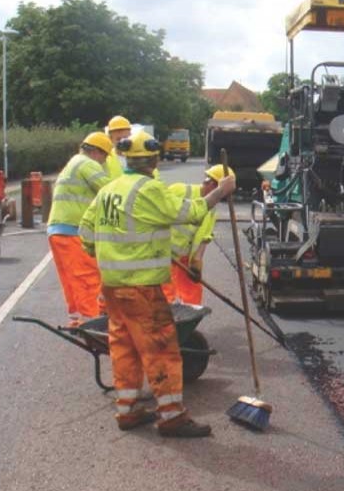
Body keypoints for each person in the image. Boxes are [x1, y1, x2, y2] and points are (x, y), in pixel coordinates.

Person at [80, 131, 235, 437]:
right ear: (153, 160)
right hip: (142, 289)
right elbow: (189, 213)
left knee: (123, 347)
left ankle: (128, 411)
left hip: (113, 288)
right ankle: (172, 416)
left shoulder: (109, 190)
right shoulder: (149, 190)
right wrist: (221, 191)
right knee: (162, 349)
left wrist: (113, 255)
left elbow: (86, 234)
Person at [46, 132, 113, 326]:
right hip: (73, 230)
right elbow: (110, 190)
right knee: (88, 277)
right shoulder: (87, 164)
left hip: (57, 230)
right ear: (98, 152)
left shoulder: (72, 163)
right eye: (105, 157)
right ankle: (93, 324)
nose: (105, 162)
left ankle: (78, 319)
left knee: (71, 281)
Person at [167, 164, 235, 305]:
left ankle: (190, 317)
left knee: (193, 289)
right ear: (210, 184)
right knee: (165, 293)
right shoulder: (179, 190)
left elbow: (204, 238)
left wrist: (197, 263)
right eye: (222, 192)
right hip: (163, 254)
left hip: (184, 258)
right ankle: (166, 322)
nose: (222, 197)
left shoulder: (211, 210)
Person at [104, 115, 132, 180]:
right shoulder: (105, 159)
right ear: (111, 139)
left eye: (125, 138)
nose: (122, 141)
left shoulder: (140, 156)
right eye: (118, 139)